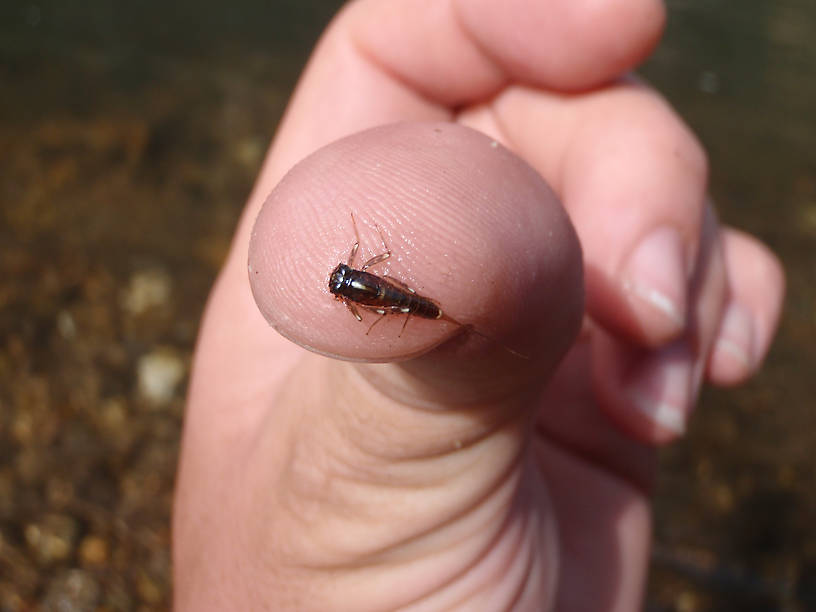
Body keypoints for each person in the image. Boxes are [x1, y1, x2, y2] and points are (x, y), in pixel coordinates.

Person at [172, 0, 784, 609]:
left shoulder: (360, 280)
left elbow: (372, 285)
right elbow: (371, 289)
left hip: (415, 301)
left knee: (411, 293)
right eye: (341, 279)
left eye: (341, 276)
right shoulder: (359, 284)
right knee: (411, 292)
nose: (341, 279)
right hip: (413, 303)